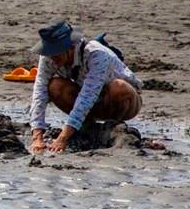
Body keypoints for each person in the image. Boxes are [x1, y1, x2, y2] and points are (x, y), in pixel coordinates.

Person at [28, 20, 144, 153]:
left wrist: (63, 137)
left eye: (56, 53)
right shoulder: (48, 57)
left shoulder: (96, 54)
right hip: (91, 103)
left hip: (121, 100)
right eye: (49, 53)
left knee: (119, 87)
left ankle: (114, 127)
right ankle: (87, 125)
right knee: (55, 86)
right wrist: (37, 136)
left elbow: (88, 96)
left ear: (70, 47)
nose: (52, 58)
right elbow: (39, 92)